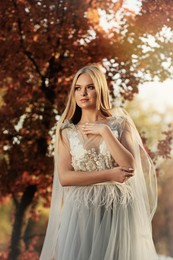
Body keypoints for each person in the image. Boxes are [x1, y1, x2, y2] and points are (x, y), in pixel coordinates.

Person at [40, 64, 159, 260]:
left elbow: (129, 165)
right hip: (81, 210)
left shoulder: (120, 124)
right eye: (78, 88)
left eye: (90, 87)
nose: (83, 93)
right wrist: (109, 174)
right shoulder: (66, 132)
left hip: (117, 208)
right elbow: (65, 177)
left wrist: (105, 131)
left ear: (100, 89)